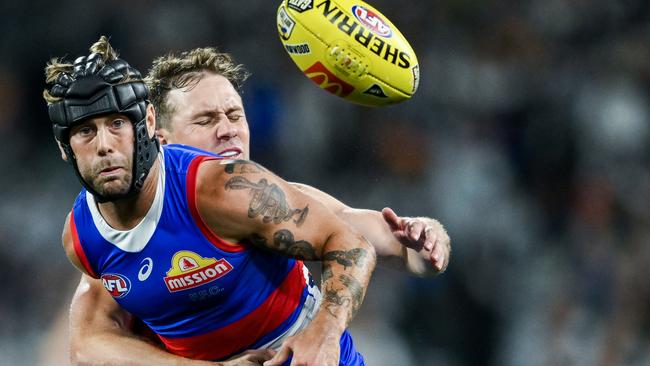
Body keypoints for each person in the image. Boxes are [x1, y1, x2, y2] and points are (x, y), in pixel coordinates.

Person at [55, 42, 451, 365]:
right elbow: (88, 343)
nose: (228, 129)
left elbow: (372, 240)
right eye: (207, 120)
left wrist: (428, 241)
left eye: (234, 115)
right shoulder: (94, 233)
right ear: (159, 134)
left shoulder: (245, 193)